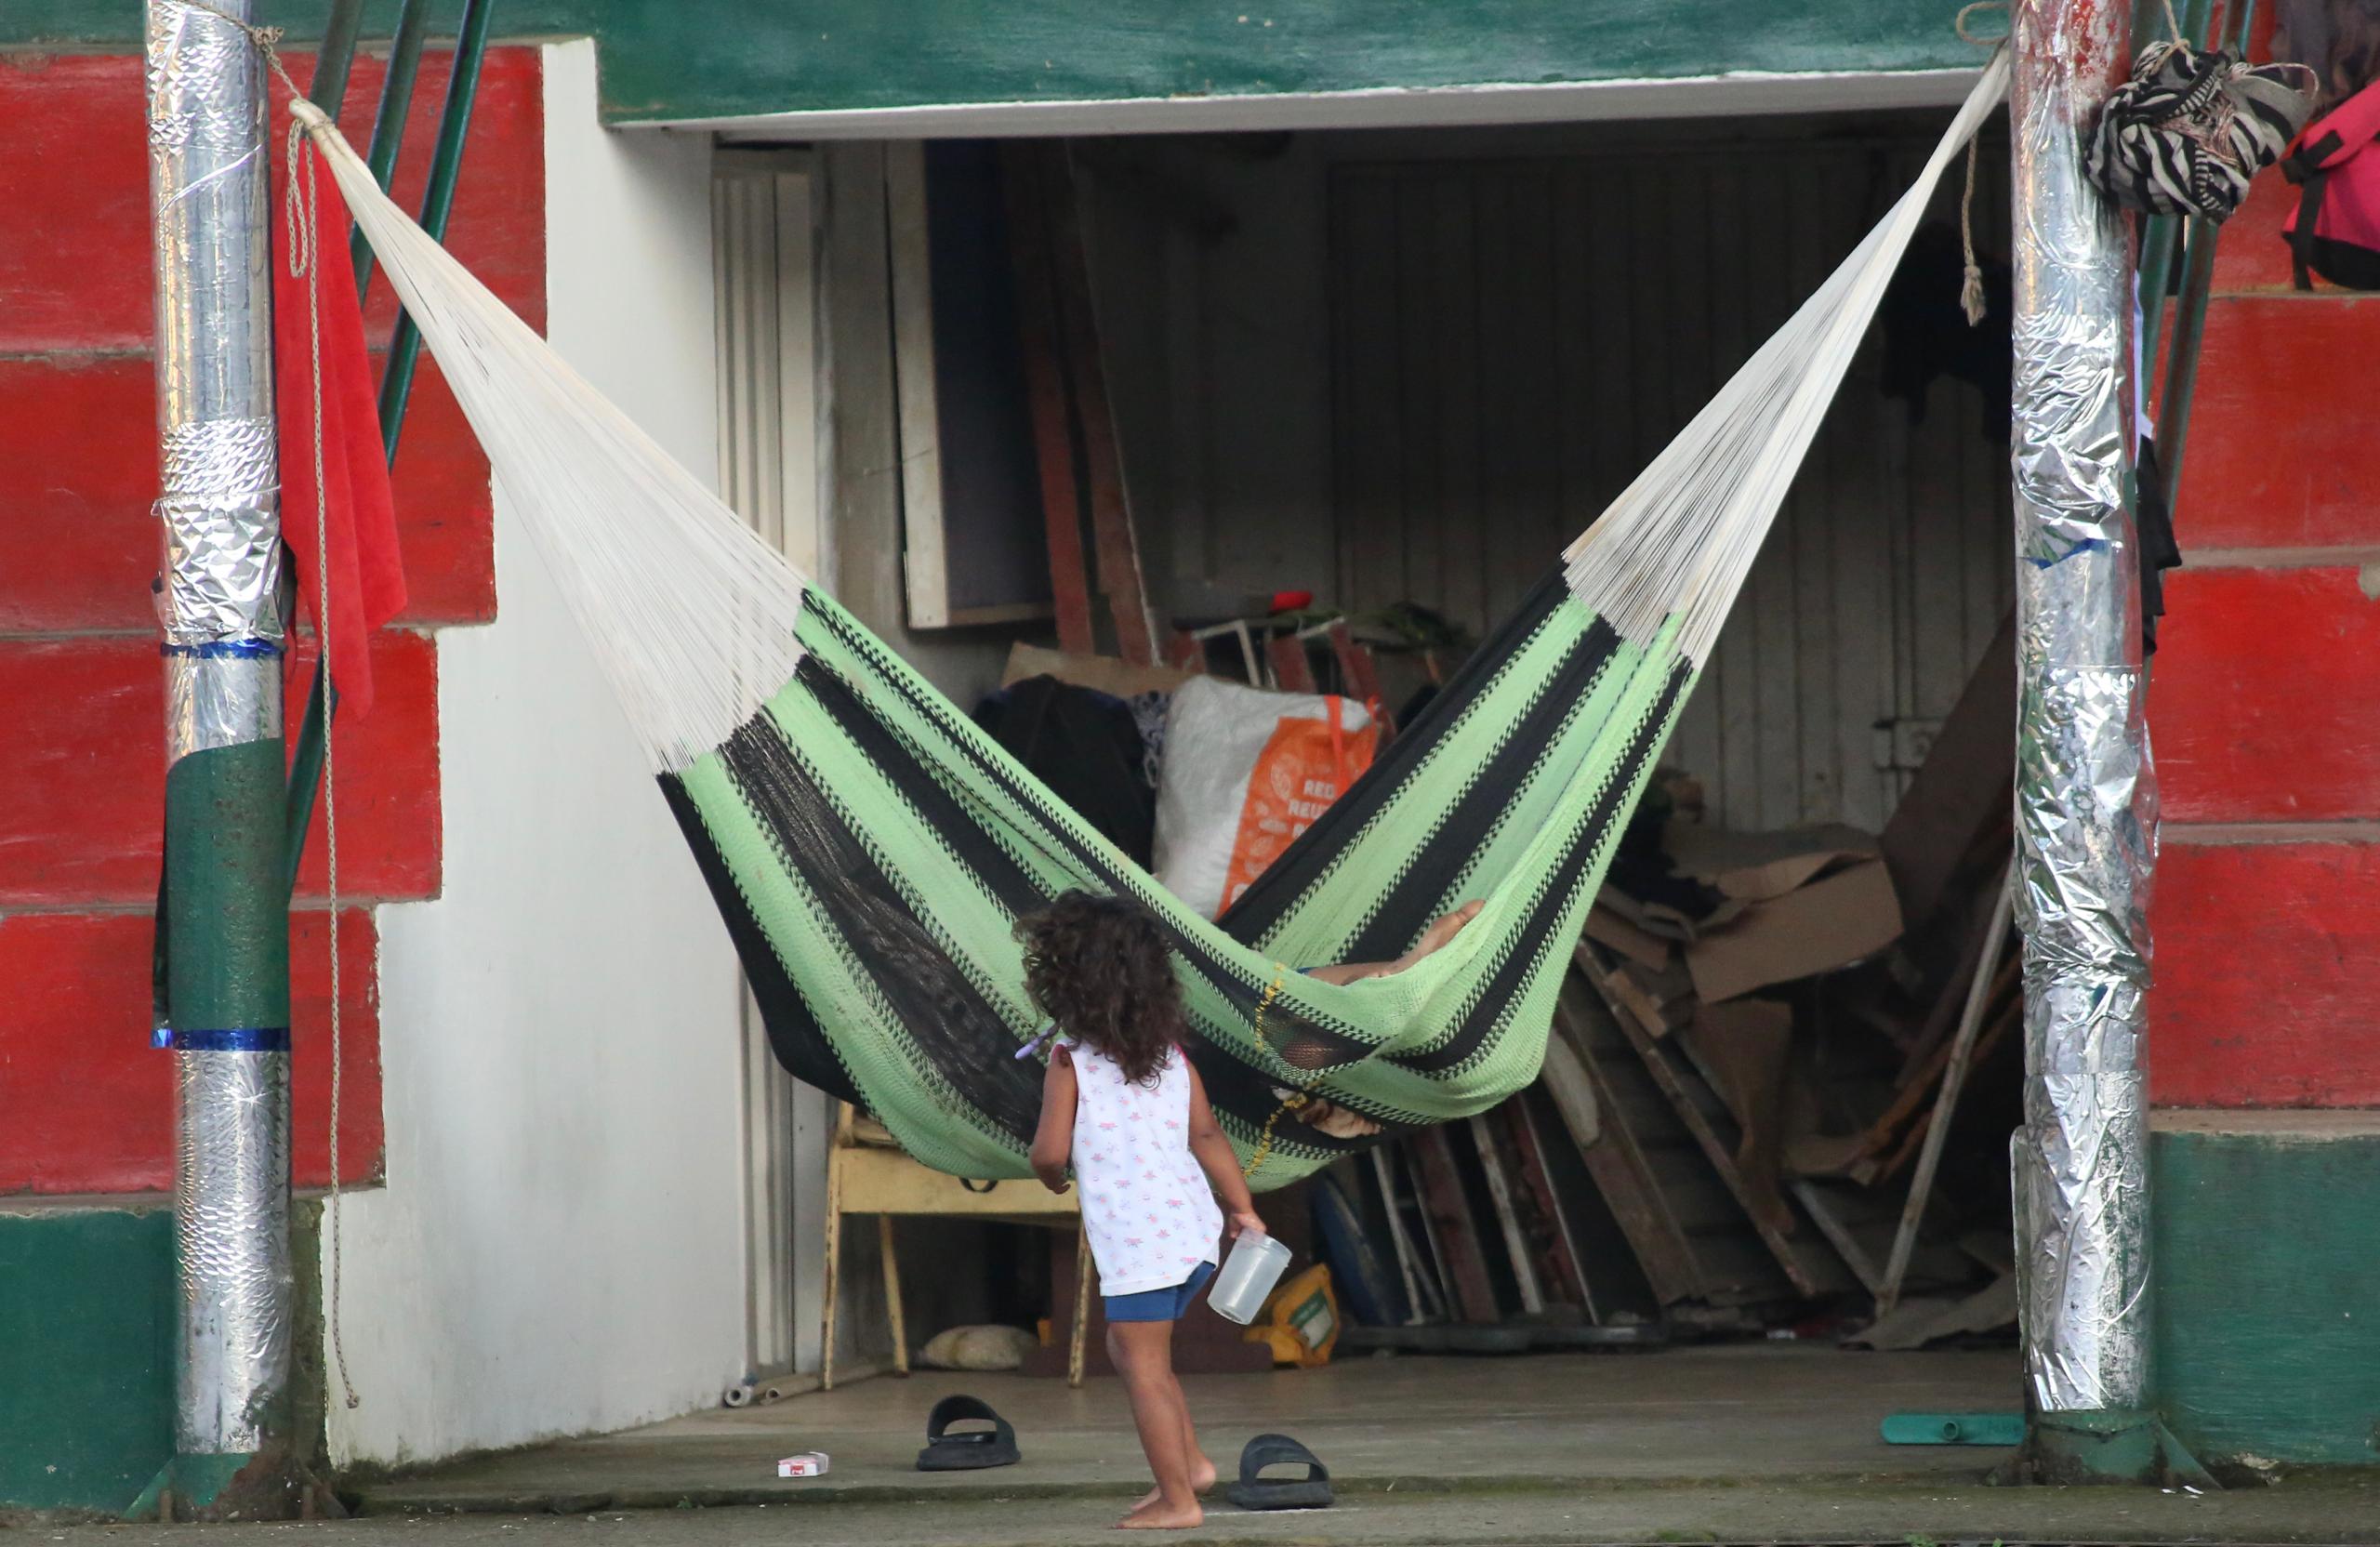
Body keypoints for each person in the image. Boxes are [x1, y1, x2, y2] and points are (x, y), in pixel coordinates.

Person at [1019, 891, 1481, 1529]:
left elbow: (1047, 1150)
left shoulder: (1069, 1063)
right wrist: (1244, 1211)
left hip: (1138, 1247)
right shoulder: (1171, 1059)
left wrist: (1050, 1177)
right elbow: (1207, 1136)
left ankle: (1179, 1500)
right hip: (1191, 1234)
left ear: (1064, 984)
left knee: (1142, 1367)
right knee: (1133, 1353)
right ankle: (1195, 1465)